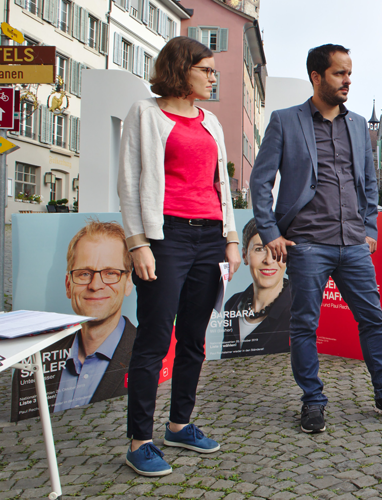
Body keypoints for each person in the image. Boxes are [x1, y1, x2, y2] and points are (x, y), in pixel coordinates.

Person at [249, 44, 382, 434]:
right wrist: (270, 231)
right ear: (316, 77)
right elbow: (261, 181)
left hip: (353, 244)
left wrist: (370, 228)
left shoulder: (358, 124)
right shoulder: (285, 121)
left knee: (373, 320)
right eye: (340, 74)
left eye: (349, 73)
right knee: (305, 325)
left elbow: (370, 183)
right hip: (307, 243)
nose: (348, 81)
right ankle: (312, 401)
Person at [118, 36, 241, 476]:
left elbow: (220, 187)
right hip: (165, 236)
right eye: (206, 69)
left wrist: (231, 237)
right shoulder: (145, 114)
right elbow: (129, 182)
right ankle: (139, 441)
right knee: (154, 338)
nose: (213, 77)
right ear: (180, 68)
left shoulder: (211, 122)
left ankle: (179, 424)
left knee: (193, 336)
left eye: (213, 71)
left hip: (209, 237)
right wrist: (137, 244)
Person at [53, 221, 136, 413]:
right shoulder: (36, 361)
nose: (95, 285)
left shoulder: (151, 354)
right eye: (84, 274)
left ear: (128, 283)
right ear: (68, 285)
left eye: (110, 273)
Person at [221, 218, 291, 358]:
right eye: (259, 249)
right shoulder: (232, 304)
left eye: (277, 249)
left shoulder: (299, 306)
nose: (269, 260)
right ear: (245, 255)